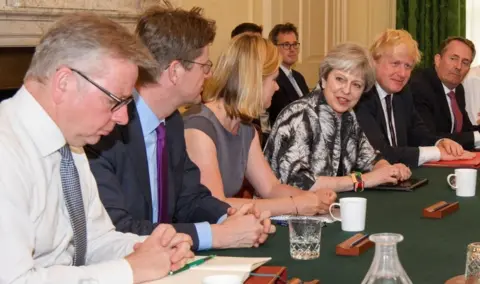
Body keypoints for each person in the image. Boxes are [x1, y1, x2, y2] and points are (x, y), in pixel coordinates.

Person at [0, 13, 193, 284]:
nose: (123, 118)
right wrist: (130, 270)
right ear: (64, 83)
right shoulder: (6, 153)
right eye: (116, 101)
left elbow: (94, 241)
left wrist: (146, 249)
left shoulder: (71, 146)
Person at [86, 5, 272, 252]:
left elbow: (190, 198)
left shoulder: (171, 122)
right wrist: (215, 235)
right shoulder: (106, 128)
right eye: (204, 66)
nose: (209, 74)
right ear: (175, 71)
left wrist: (229, 217)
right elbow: (118, 229)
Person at [183, 33, 337, 217]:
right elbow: (216, 205)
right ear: (254, 81)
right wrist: (296, 204)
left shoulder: (246, 130)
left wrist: (312, 197)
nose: (277, 87)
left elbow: (270, 188)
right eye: (273, 80)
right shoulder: (199, 128)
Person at [264, 43, 411, 192]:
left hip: (326, 209)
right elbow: (299, 182)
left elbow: (369, 158)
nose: (347, 90)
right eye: (340, 79)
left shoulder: (348, 115)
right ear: (324, 78)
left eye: (356, 85)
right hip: (283, 212)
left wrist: (388, 170)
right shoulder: (300, 115)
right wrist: (362, 180)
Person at [354, 29, 472, 168]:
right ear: (374, 62)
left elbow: (420, 134)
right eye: (395, 64)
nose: (402, 73)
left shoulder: (403, 94)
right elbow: (380, 152)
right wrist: (437, 153)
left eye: (408, 66)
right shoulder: (361, 96)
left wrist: (440, 142)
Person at [410, 36, 480, 150]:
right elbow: (431, 138)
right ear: (438, 60)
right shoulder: (420, 86)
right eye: (453, 58)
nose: (458, 67)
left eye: (465, 62)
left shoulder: (458, 89)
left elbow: (466, 131)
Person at [267, 22, 310, 127]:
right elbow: (284, 114)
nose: (292, 49)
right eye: (286, 45)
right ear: (274, 48)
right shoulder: (272, 78)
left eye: (295, 44)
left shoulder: (299, 77)